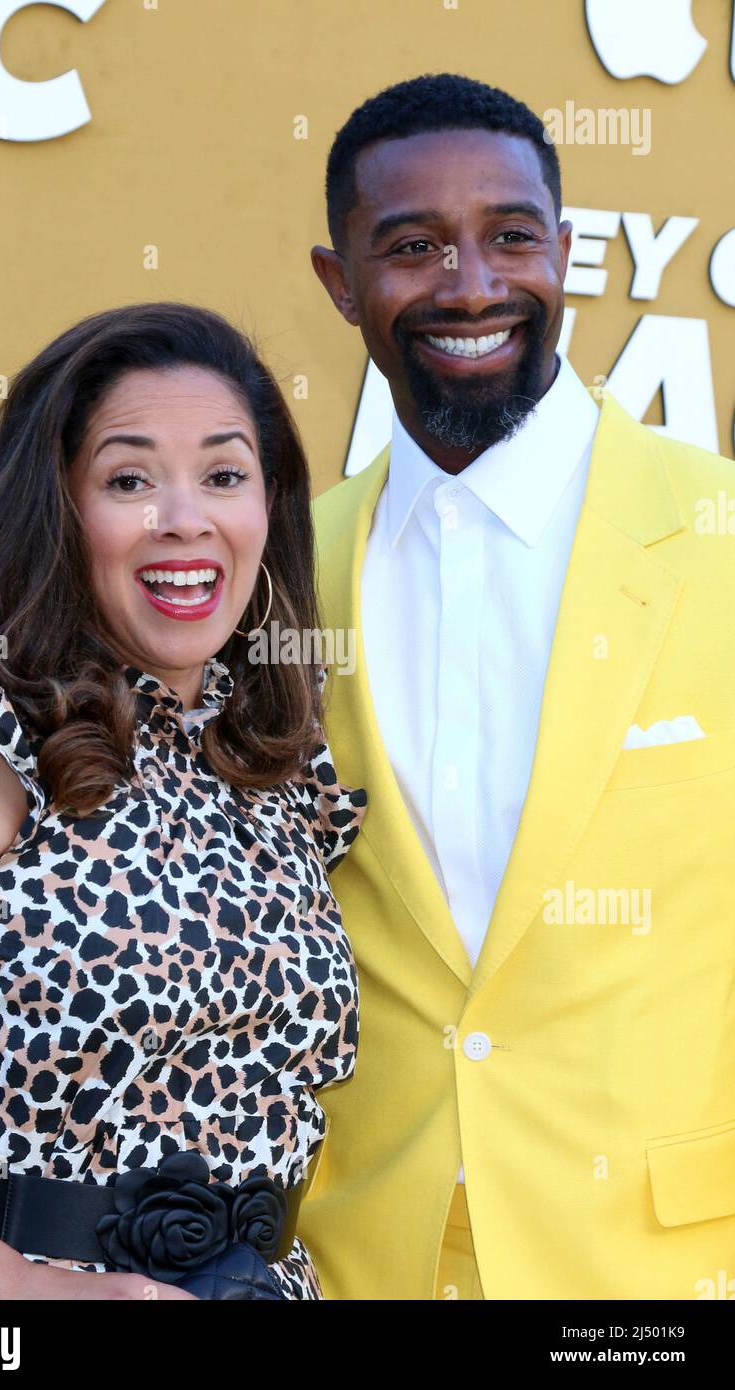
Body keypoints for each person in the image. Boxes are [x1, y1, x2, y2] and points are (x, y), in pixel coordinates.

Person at [294, 72, 735, 1299]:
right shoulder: (275, 575)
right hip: (358, 1260)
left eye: (509, 237)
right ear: (340, 283)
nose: (471, 286)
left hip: (662, 1270)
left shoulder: (718, 533)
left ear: (566, 253)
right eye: (412, 246)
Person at [0, 301, 366, 1300]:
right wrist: (18, 1289)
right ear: (57, 507)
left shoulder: (272, 775)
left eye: (223, 475)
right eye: (129, 478)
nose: (183, 517)